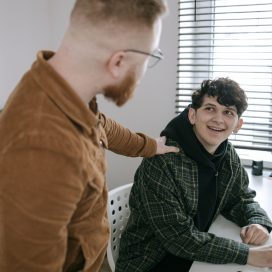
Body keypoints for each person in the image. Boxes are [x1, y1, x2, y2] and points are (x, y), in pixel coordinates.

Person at [0, 1, 179, 271]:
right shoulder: (43, 146)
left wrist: (152, 146)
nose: (142, 74)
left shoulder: (62, 90)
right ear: (118, 61)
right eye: (148, 60)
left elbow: (103, 127)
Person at [116, 77, 272, 272]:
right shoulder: (162, 162)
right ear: (192, 115)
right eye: (209, 108)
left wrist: (258, 222)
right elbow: (178, 237)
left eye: (228, 112)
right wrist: (246, 255)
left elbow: (240, 198)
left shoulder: (227, 155)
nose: (218, 119)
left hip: (194, 254)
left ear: (238, 125)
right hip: (152, 263)